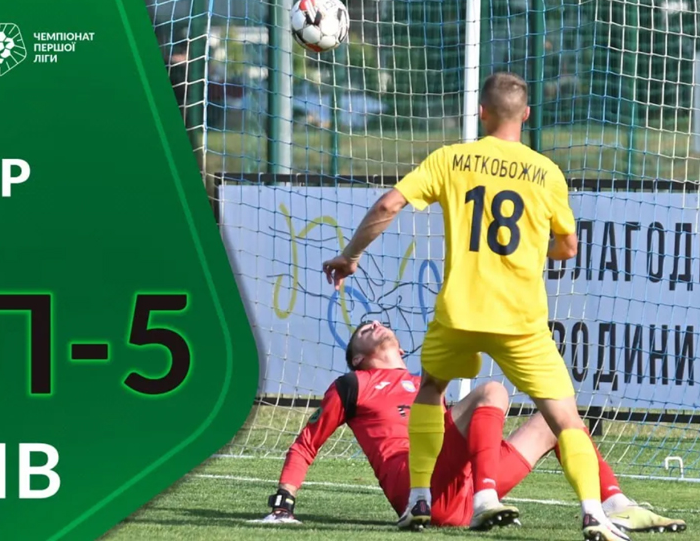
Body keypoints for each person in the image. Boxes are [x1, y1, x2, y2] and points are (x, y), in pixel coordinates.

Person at [320, 71, 627, 540]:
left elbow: (388, 205)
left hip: (459, 314)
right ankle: (592, 513)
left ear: (481, 112)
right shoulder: (546, 172)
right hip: (520, 320)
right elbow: (567, 247)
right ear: (526, 115)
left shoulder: (451, 159)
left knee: (430, 389)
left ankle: (418, 498)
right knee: (564, 416)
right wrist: (530, 248)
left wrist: (351, 255)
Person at [258, 320, 687, 535]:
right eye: (362, 330)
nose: (373, 324)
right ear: (356, 357)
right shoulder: (353, 384)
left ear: (401, 347)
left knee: (558, 417)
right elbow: (306, 443)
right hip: (418, 489)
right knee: (492, 391)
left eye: (377, 323)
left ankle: (616, 503)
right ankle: (487, 497)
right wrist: (283, 503)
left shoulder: (424, 383)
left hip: (457, 488)